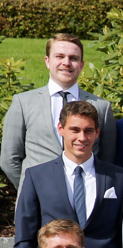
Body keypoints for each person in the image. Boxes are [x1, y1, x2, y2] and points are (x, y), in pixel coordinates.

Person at [12, 100, 123, 248]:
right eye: (74, 130)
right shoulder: (37, 176)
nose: (82, 137)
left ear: (97, 133)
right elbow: (24, 237)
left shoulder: (119, 178)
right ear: (61, 129)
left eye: (88, 131)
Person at [1, 33, 115, 191]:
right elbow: (9, 158)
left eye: (73, 58)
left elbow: (107, 158)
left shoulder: (101, 107)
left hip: (84, 193)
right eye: (59, 56)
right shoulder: (23, 103)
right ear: (48, 61)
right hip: (37, 195)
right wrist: (29, 188)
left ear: (81, 65)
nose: (66, 63)